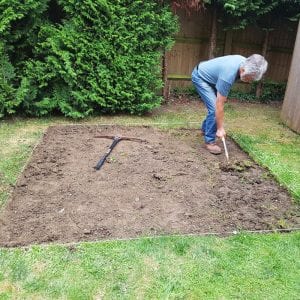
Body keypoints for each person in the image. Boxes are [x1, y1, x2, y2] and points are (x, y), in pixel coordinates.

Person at [191, 54, 268, 154]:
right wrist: (220, 128)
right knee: (214, 108)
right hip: (201, 77)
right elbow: (219, 105)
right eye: (249, 78)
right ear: (243, 70)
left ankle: (205, 130)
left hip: (212, 79)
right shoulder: (228, 74)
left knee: (214, 107)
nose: (249, 82)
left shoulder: (246, 63)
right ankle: (210, 142)